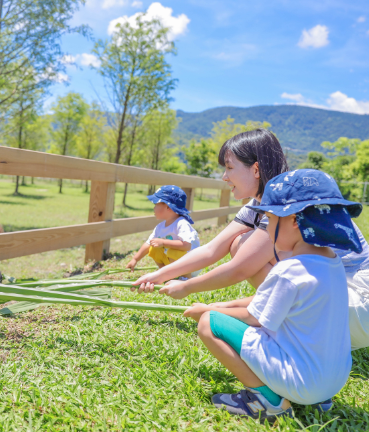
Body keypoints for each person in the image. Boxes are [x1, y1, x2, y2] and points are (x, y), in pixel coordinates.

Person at [182, 169, 360, 418]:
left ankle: (267, 400)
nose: (267, 228)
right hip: (332, 383)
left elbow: (254, 317)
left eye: (270, 219)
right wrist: (226, 302)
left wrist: (208, 310)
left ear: (295, 221)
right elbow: (269, 303)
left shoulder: (290, 270)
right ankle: (320, 401)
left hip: (301, 383)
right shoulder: (332, 264)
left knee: (209, 325)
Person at [136, 127, 290, 298]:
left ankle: (285, 309)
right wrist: (159, 275)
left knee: (244, 243)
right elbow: (211, 249)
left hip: (313, 299)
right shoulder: (255, 206)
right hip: (296, 292)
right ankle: (278, 306)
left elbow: (240, 269)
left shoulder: (281, 207)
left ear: (256, 170)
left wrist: (188, 286)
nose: (224, 177)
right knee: (237, 243)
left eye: (230, 168)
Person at [125, 185, 200, 275]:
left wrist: (163, 242)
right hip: (174, 263)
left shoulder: (182, 223)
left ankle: (185, 278)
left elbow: (186, 246)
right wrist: (135, 259)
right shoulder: (160, 227)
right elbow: (148, 243)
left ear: (168, 207)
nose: (154, 208)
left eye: (156, 204)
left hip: (191, 266)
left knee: (173, 251)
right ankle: (165, 273)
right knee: (153, 248)